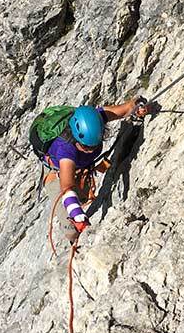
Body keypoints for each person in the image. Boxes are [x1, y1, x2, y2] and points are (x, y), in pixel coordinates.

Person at [44, 98, 151, 243]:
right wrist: (76, 214)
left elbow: (127, 108)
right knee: (72, 231)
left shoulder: (97, 118)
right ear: (75, 138)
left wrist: (138, 107)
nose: (90, 151)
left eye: (94, 146)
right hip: (57, 172)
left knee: (81, 197)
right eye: (86, 147)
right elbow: (67, 187)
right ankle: (74, 245)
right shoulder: (65, 150)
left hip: (80, 167)